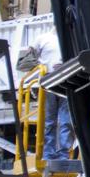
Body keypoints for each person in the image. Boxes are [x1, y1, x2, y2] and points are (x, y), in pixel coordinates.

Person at [23, 32, 73, 161]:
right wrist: (41, 68)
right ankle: (48, 154)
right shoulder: (42, 38)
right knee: (50, 121)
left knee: (66, 121)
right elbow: (26, 59)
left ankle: (63, 154)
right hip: (48, 80)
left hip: (66, 79)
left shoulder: (70, 37)